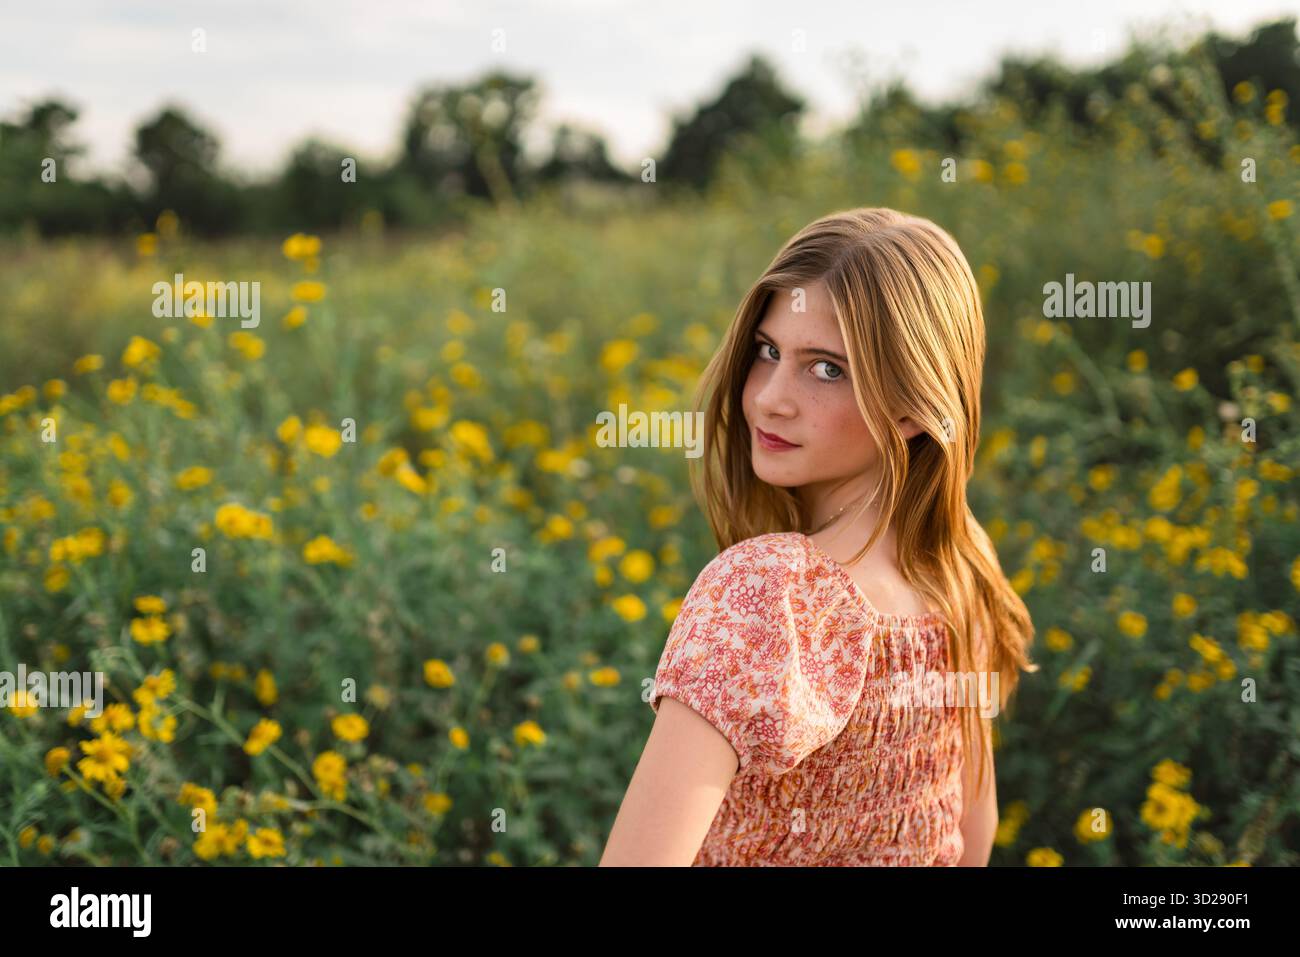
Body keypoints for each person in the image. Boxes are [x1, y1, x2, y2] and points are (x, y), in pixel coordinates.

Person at [600, 207, 1036, 866]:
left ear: (915, 407)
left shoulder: (768, 589)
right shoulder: (960, 572)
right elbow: (970, 841)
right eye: (769, 351)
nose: (771, 398)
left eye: (827, 368)